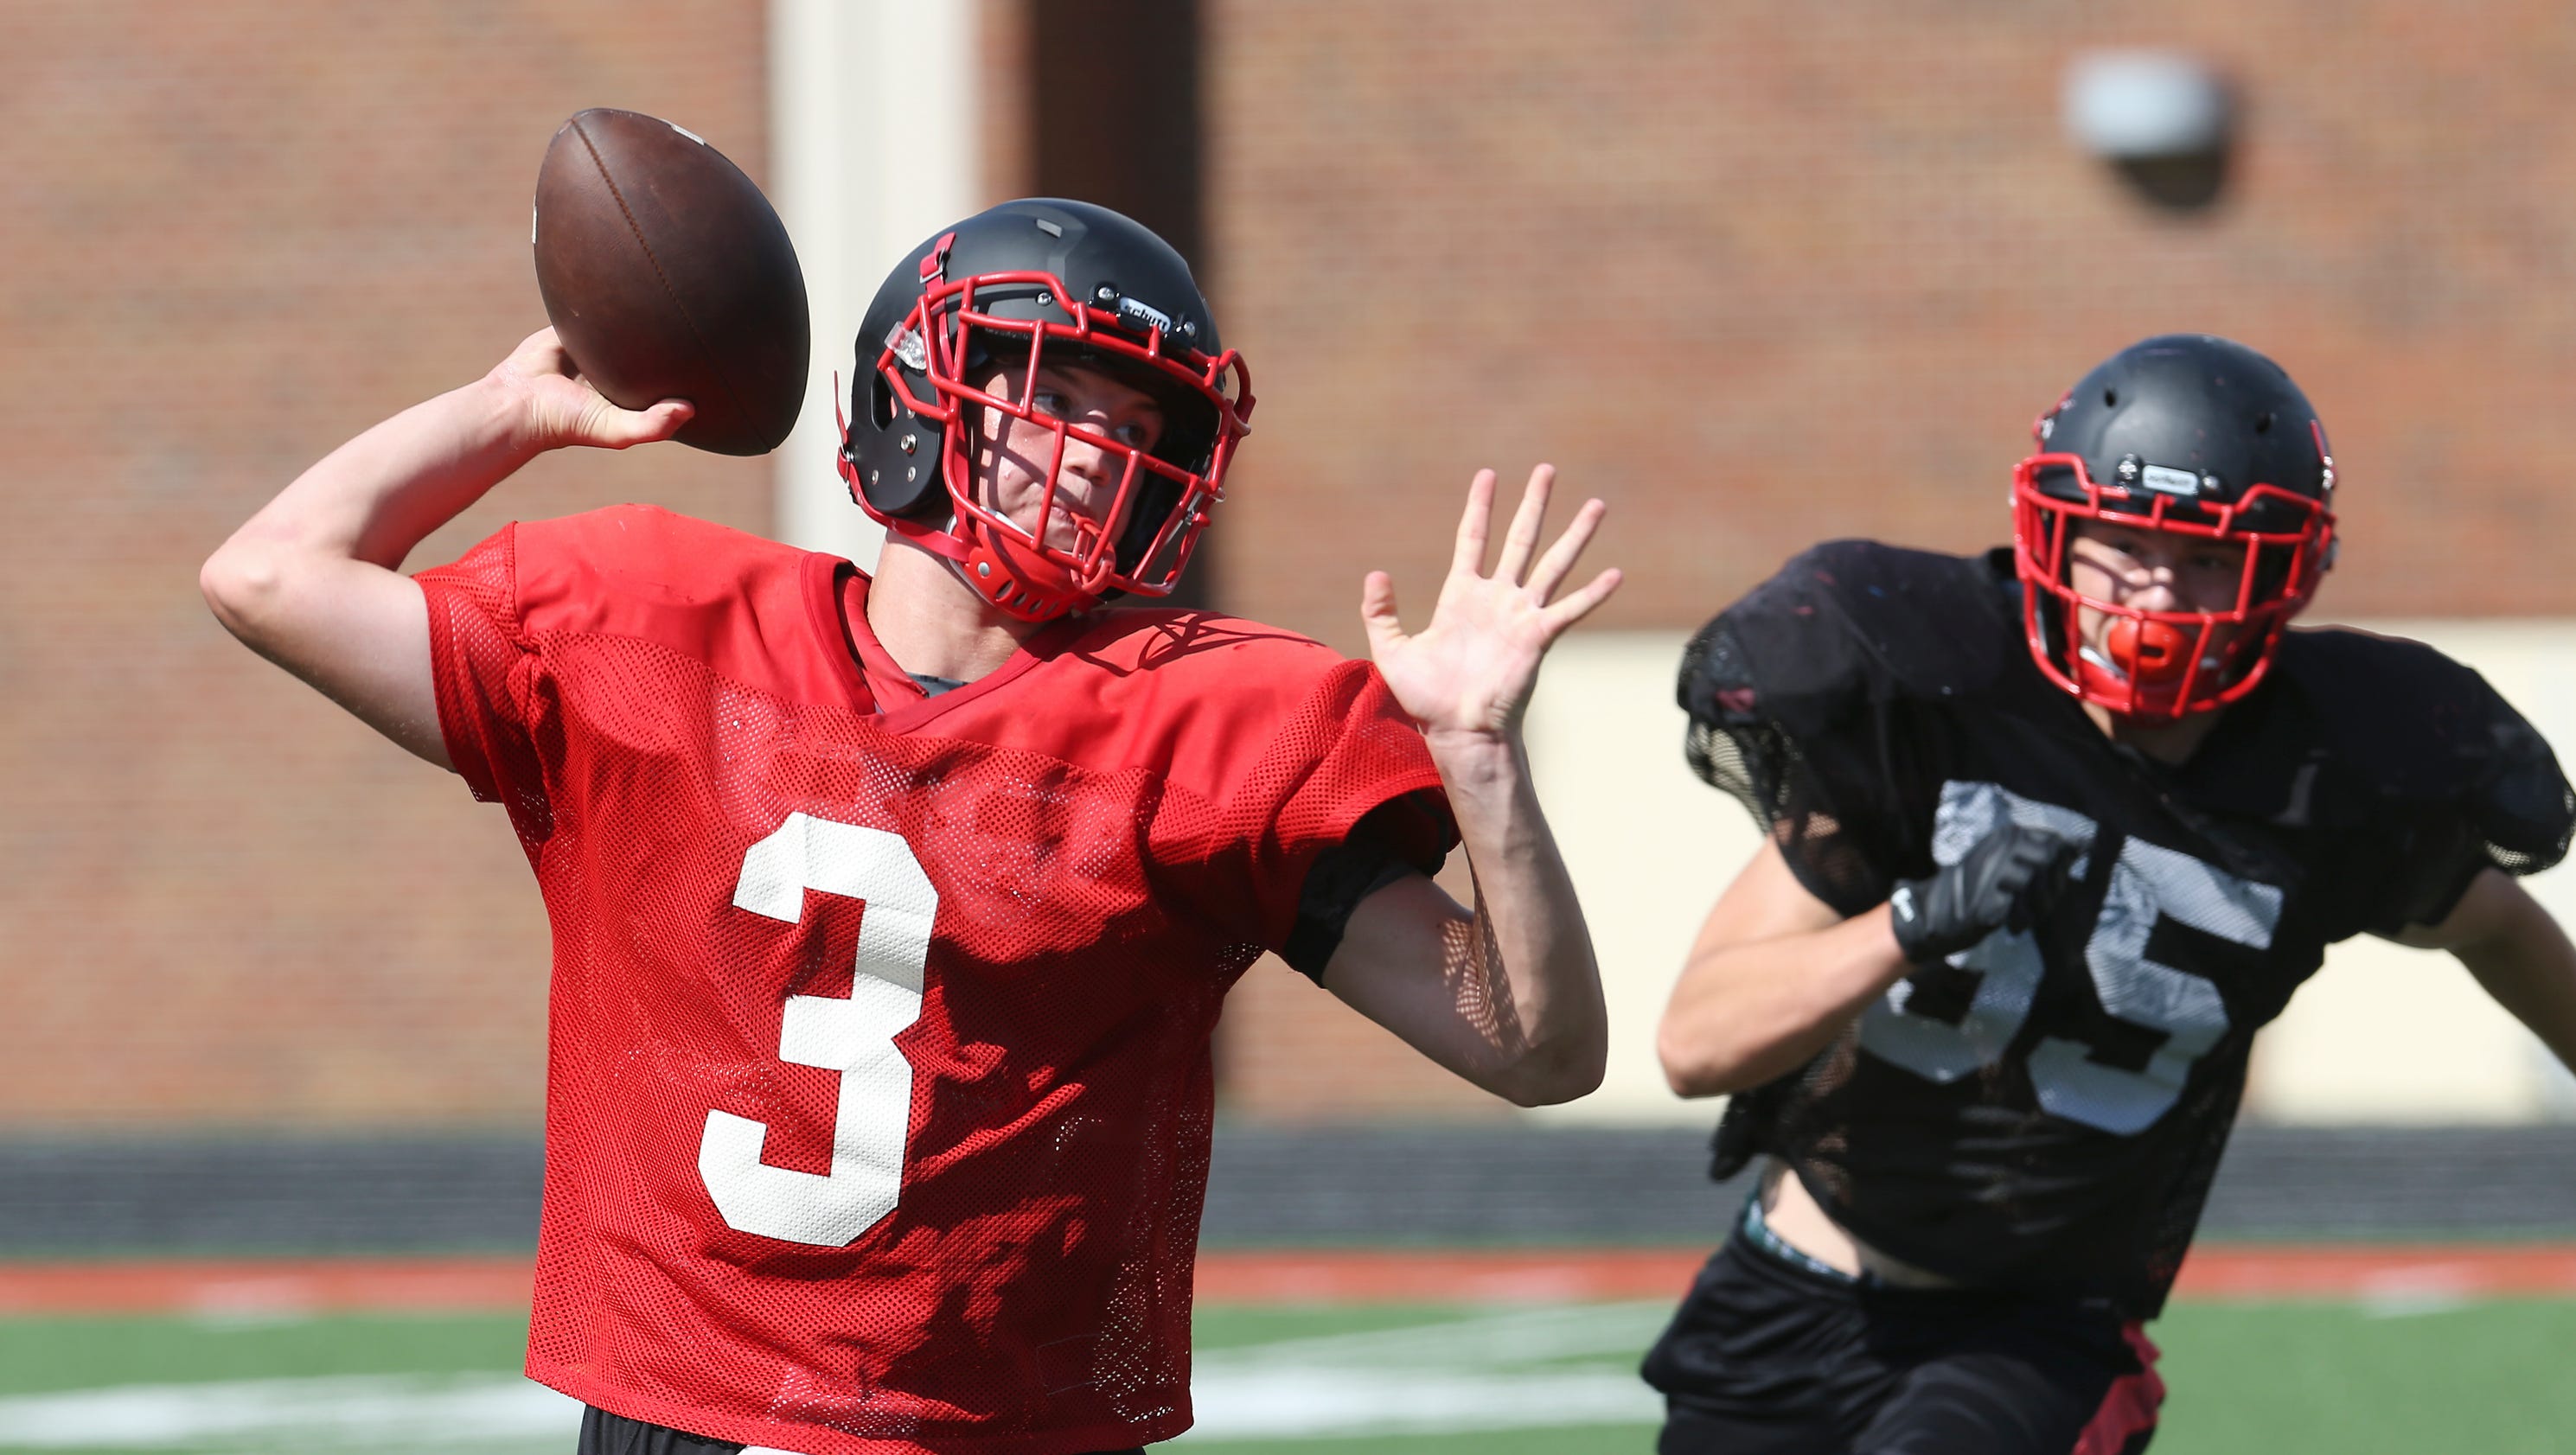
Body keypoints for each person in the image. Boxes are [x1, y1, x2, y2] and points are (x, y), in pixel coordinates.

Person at [200, 198, 1620, 1455]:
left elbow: (1534, 1048)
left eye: (1136, 427)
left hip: (1009, 1429)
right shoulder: (657, 623)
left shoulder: (1211, 716)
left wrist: (1482, 761)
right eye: (1056, 399)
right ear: (920, 404)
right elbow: (268, 575)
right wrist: (511, 410)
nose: (1096, 454)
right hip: (687, 1399)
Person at [1645, 334, 2576, 1454]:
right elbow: (1696, 1045)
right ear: (2055, 534)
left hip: (2034, 1335)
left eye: (2204, 559)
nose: (2156, 592)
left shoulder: (2331, 772)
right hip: (1787, 1296)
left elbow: (2499, 928)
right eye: (2124, 545)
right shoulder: (1934, 693)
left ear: (2285, 574)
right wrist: (1907, 925)